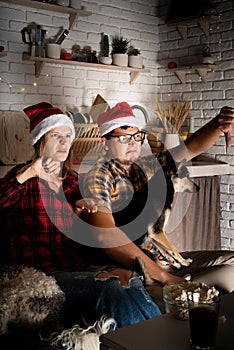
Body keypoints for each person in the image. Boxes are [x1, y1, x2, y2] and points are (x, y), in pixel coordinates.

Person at [0, 102, 162, 340]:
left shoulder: (72, 181)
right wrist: (29, 173)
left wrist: (81, 212)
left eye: (68, 136)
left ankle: (159, 337)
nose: (65, 143)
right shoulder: (22, 179)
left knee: (131, 279)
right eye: (57, 136)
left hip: (76, 267)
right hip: (44, 275)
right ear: (41, 140)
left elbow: (88, 233)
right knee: (111, 289)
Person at [82, 101, 234, 311]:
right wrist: (165, 277)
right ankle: (170, 300)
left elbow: (189, 148)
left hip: (161, 261)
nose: (133, 143)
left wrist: (218, 123)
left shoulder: (144, 166)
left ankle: (187, 298)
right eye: (124, 138)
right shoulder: (100, 176)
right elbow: (106, 236)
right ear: (105, 143)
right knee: (223, 278)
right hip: (138, 269)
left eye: (137, 136)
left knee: (232, 263)